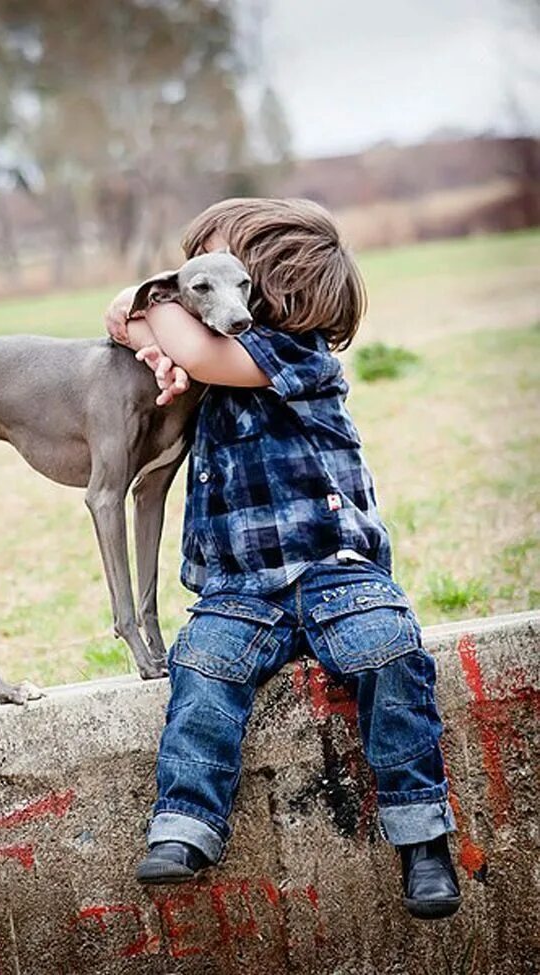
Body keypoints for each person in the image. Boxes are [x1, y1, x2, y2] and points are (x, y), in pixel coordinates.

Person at [104, 197, 462, 920]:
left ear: (264, 287)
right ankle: (184, 825)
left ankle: (422, 836)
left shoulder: (293, 356)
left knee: (390, 657)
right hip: (238, 591)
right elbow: (183, 360)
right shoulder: (214, 369)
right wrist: (150, 333)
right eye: (186, 282)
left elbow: (198, 348)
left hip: (338, 575)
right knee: (201, 675)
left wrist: (141, 302)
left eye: (209, 271)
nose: (187, 287)